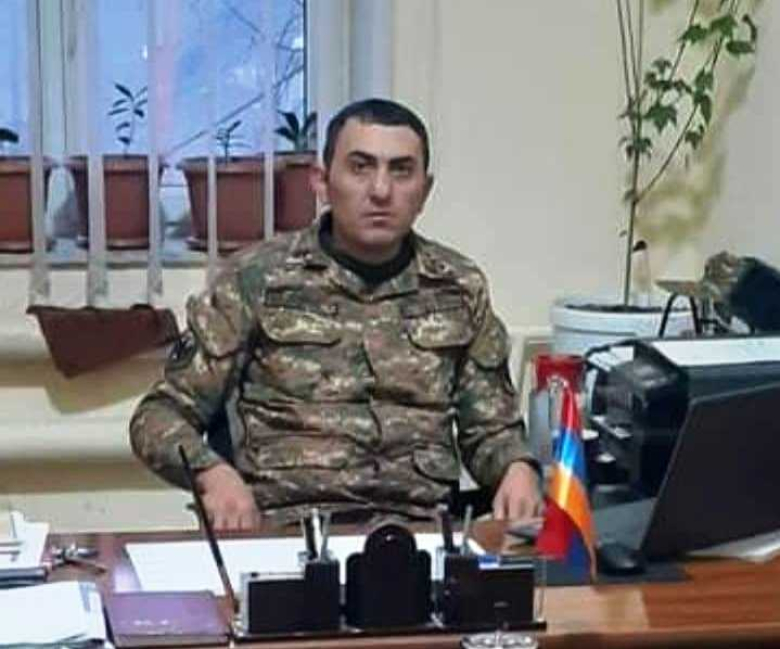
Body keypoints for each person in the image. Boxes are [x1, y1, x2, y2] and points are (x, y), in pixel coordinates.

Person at [130, 98, 541, 530]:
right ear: (322, 182)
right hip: (285, 532)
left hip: (419, 534)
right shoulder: (256, 278)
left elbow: (491, 430)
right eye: (360, 167)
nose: (380, 190)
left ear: (424, 190)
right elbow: (158, 417)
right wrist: (212, 475)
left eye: (401, 171)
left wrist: (516, 468)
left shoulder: (457, 286)